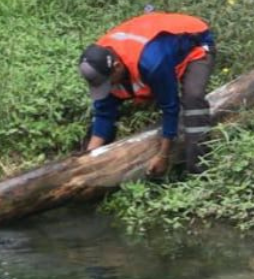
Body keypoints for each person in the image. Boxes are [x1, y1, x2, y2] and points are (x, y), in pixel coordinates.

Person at [78, 11, 215, 175]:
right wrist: (88, 158)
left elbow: (171, 108)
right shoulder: (99, 61)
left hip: (194, 42)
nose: (108, 86)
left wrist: (164, 155)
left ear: (117, 67)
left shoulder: (152, 63)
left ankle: (199, 170)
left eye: (109, 82)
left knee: (193, 99)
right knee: (105, 109)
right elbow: (104, 112)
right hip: (154, 49)